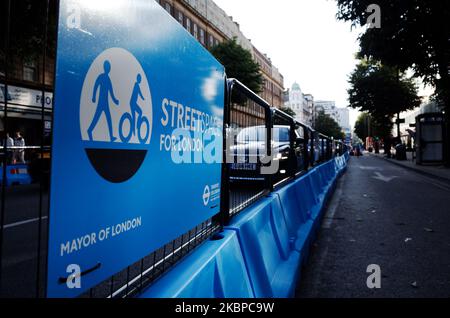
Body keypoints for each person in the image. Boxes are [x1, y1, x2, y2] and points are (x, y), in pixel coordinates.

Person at [88, 60, 119, 142]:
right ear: (105, 68)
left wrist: (115, 100)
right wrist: (93, 96)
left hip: (106, 103)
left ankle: (111, 136)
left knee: (109, 119)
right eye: (108, 67)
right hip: (101, 102)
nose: (109, 69)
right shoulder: (101, 77)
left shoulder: (108, 79)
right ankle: (90, 130)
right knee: (96, 118)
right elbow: (96, 85)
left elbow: (111, 91)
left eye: (109, 67)